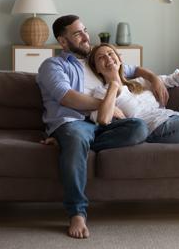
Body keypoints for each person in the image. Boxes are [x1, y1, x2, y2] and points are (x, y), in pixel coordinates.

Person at [36, 15, 166, 239]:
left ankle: (69, 145)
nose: (87, 36)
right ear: (63, 42)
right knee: (76, 137)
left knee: (138, 128)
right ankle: (77, 212)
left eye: (85, 30)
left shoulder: (94, 60)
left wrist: (153, 77)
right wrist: (106, 104)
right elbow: (66, 97)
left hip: (101, 124)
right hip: (73, 122)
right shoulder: (52, 65)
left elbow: (130, 69)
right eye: (78, 34)